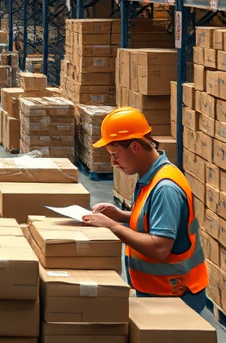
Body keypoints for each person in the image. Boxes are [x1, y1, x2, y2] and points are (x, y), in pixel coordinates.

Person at [82, 107, 209, 313]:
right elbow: (157, 221)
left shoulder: (164, 188)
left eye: (115, 155)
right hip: (159, 291)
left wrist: (113, 226)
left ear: (134, 147)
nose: (113, 163)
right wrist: (121, 216)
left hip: (174, 297)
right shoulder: (151, 176)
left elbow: (160, 247)